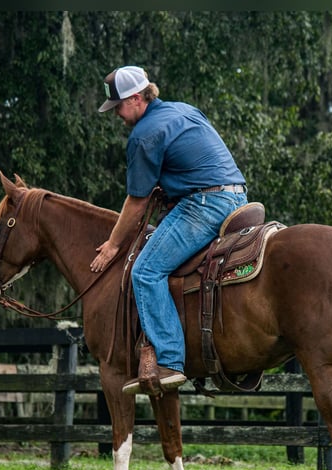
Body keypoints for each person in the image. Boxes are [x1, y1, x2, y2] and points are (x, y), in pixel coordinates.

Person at [90, 65, 248, 395]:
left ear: (136, 99)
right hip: (239, 198)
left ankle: (170, 361)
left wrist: (112, 246)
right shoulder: (184, 110)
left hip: (204, 205)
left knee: (145, 272)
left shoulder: (144, 134)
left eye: (118, 106)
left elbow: (136, 202)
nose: (117, 114)